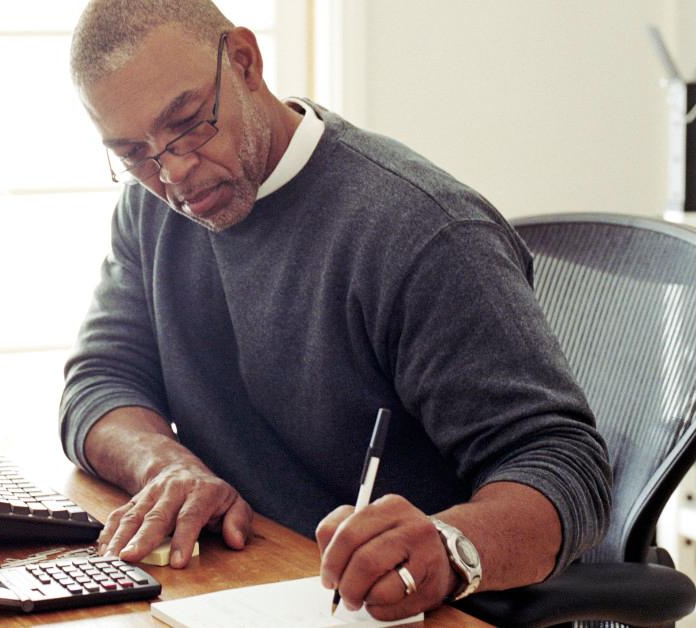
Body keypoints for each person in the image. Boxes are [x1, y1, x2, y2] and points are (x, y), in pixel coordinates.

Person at [58, 0, 613, 620]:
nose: (173, 171)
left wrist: (451, 547)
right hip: (248, 581)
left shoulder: (421, 232)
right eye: (134, 152)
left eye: (189, 122)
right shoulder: (152, 206)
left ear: (245, 62)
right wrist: (167, 469)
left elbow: (566, 464)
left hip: (399, 609)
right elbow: (101, 381)